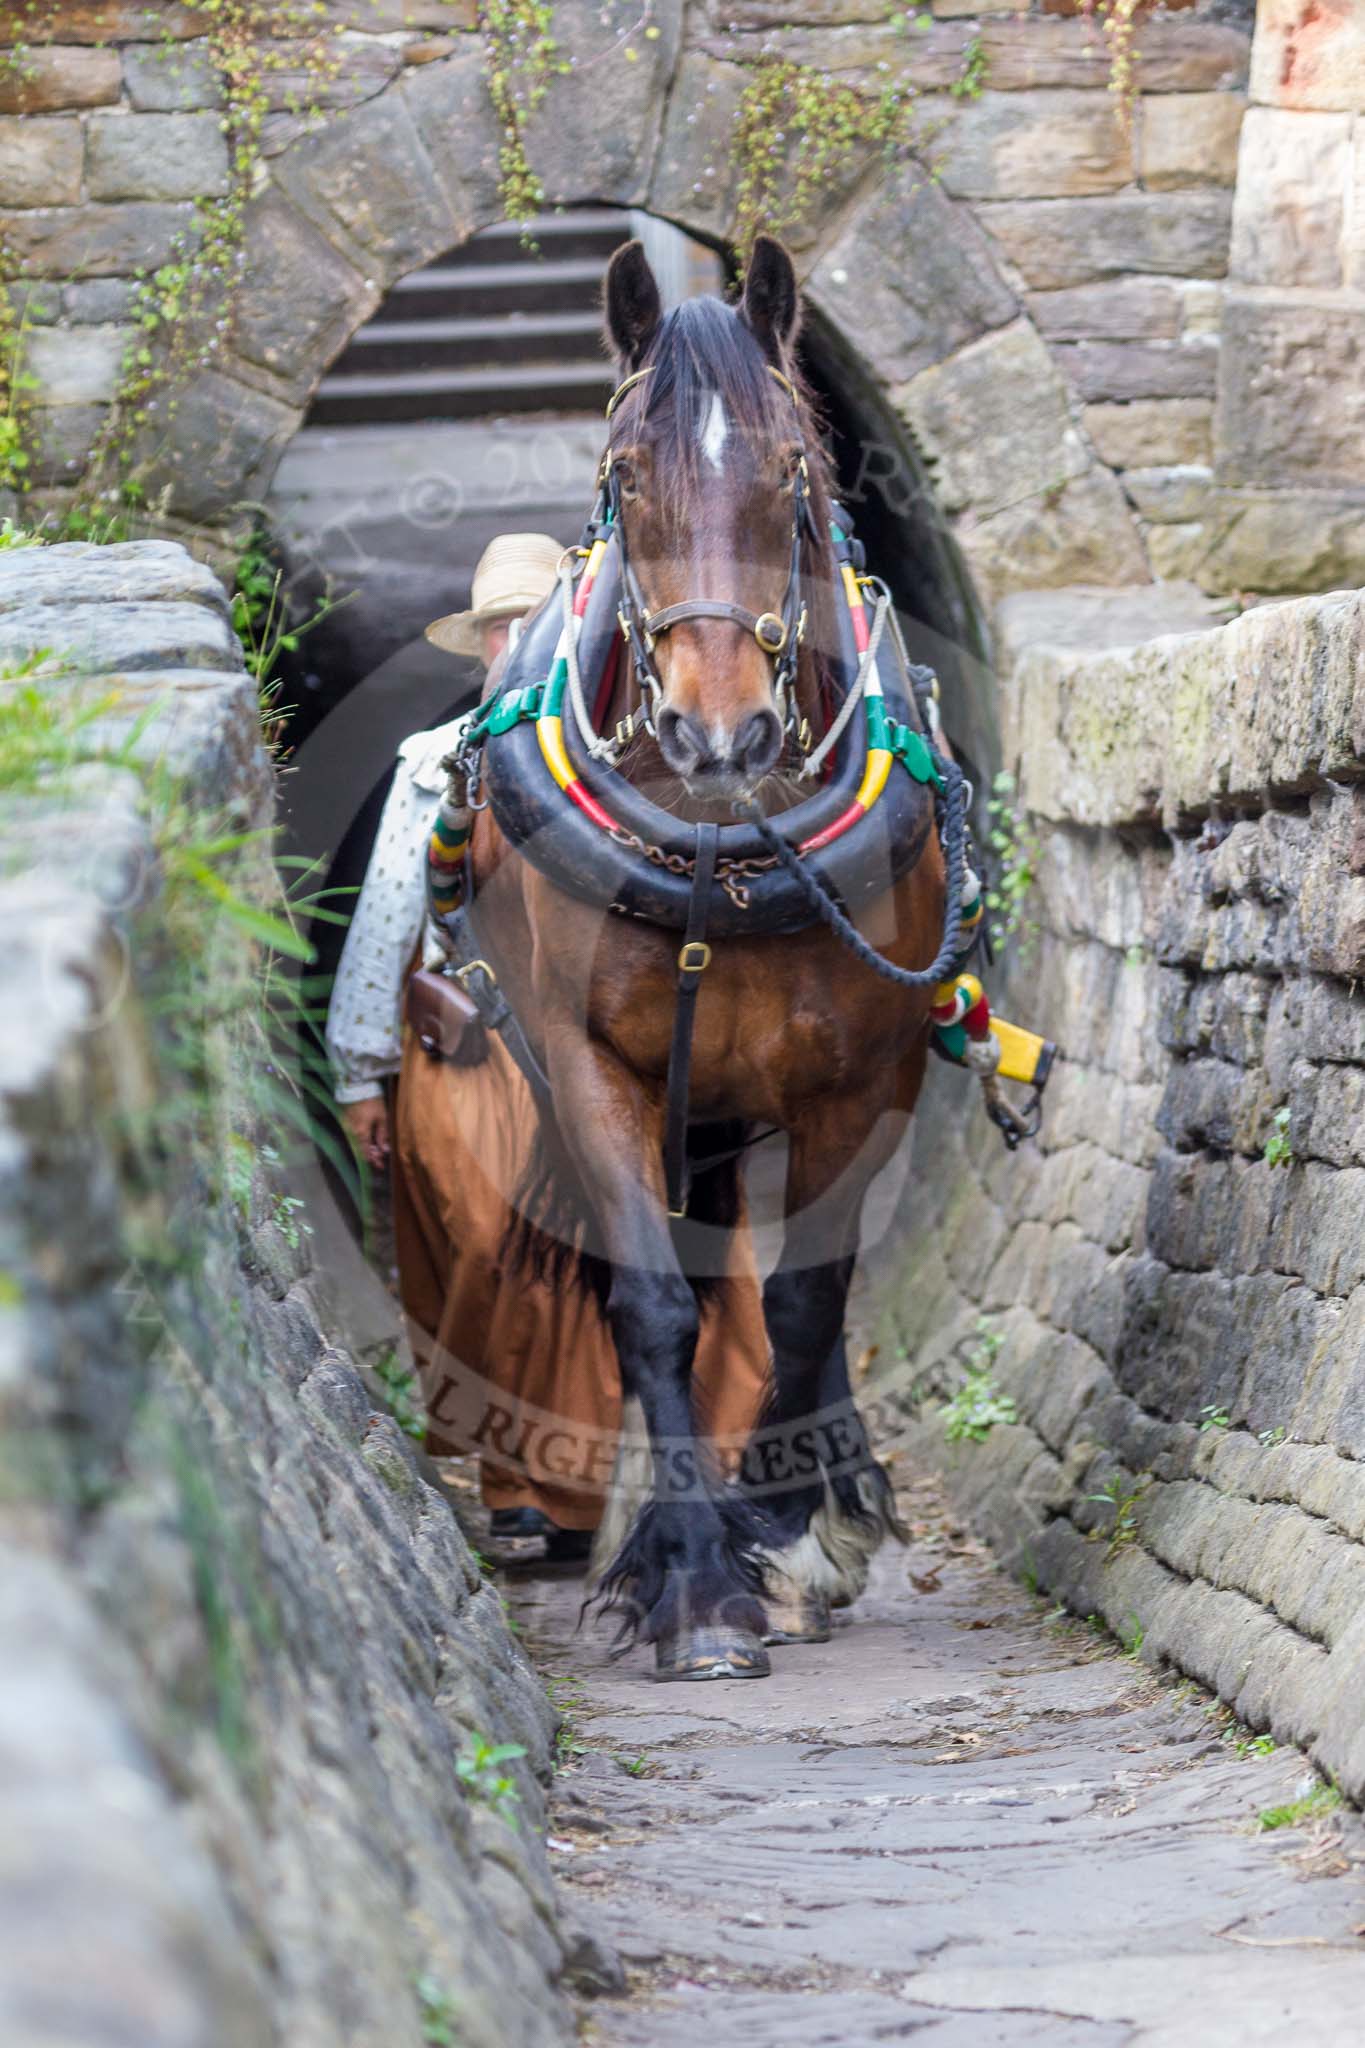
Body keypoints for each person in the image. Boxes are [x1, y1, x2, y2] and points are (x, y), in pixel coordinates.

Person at [326, 535, 772, 1557]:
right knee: (496, 1245)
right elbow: (391, 915)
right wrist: (361, 1071)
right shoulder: (438, 764)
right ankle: (529, 1479)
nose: (511, 642)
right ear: (481, 644)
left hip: (608, 1043)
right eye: (498, 628)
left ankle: (679, 1466)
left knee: (667, 1238)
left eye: (531, 623)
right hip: (476, 1045)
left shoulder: (627, 774)